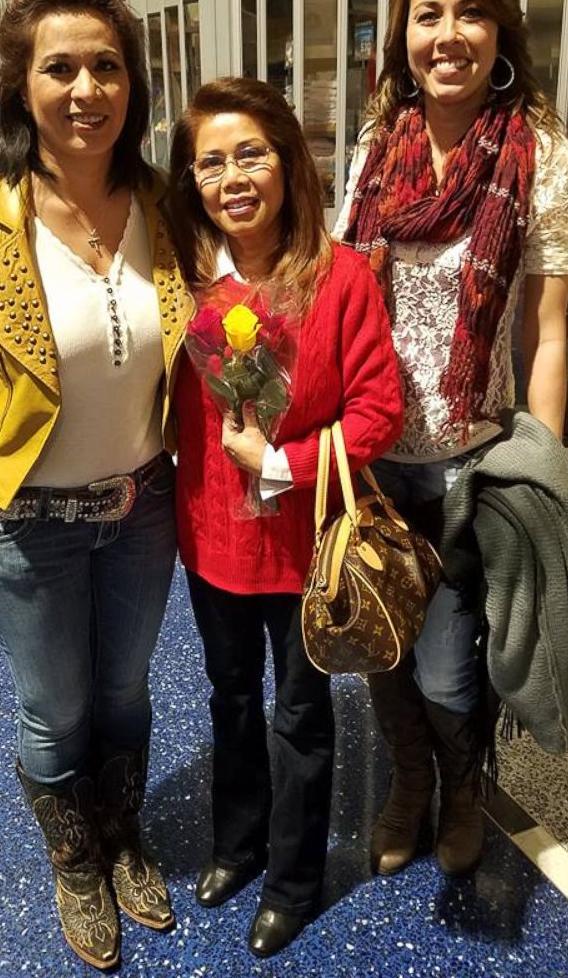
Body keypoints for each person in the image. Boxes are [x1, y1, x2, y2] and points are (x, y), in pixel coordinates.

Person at [0, 0, 193, 971]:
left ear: (133, 84)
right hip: (23, 520)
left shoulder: (164, 207)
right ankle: (74, 859)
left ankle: (122, 836)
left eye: (108, 67)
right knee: (59, 705)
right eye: (62, 69)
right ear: (21, 87)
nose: (88, 90)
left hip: (143, 503)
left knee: (126, 693)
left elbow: (231, 325)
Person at [335, 0, 568, 878]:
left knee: (447, 663)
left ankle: (463, 789)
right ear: (401, 29)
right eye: (428, 13)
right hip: (370, 450)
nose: (447, 35)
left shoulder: (542, 158)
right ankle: (408, 785)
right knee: (380, 639)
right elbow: (343, 308)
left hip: (470, 460)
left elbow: (547, 329)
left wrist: (543, 473)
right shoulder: (375, 149)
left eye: (470, 12)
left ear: (500, 29)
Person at [167, 77, 403, 958]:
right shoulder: (186, 284)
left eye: (251, 154)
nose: (232, 177)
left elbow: (378, 410)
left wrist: (283, 463)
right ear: (191, 180)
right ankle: (236, 847)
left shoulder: (338, 278)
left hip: (308, 548)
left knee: (301, 718)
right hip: (212, 538)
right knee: (229, 701)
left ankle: (293, 881)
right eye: (210, 162)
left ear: (287, 163)